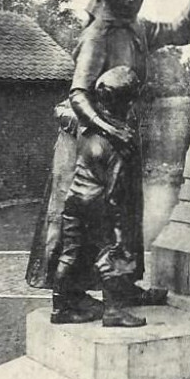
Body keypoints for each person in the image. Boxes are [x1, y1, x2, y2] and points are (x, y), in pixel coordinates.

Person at [26, 0, 190, 322]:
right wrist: (110, 129)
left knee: (124, 217)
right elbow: (79, 95)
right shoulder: (99, 35)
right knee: (85, 221)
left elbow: (181, 29)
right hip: (88, 142)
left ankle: (121, 288)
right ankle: (73, 298)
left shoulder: (138, 29)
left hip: (118, 136)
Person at [52, 66, 147, 327]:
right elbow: (115, 189)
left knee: (69, 254)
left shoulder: (88, 128)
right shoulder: (119, 142)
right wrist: (119, 229)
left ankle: (60, 307)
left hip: (75, 199)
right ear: (125, 102)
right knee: (112, 253)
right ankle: (114, 311)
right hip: (97, 205)